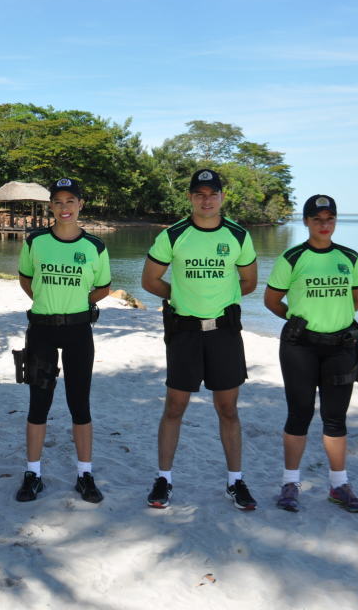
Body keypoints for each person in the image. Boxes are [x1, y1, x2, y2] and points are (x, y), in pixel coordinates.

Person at [140, 168, 258, 510]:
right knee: (175, 407)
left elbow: (249, 282)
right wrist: (181, 296)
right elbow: (150, 280)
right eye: (199, 194)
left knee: (228, 409)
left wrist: (219, 299)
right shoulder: (174, 235)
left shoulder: (238, 235)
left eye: (212, 194)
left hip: (224, 333)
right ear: (190, 197)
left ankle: (235, 481)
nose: (206, 200)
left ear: (222, 197)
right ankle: (164, 479)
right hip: (185, 333)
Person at [264, 194, 358, 513]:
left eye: (330, 219)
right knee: (300, 413)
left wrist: (332, 318)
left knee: (335, 418)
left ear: (335, 220)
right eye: (317, 220)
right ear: (306, 221)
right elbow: (272, 300)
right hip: (300, 347)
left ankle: (339, 486)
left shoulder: (349, 257)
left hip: (341, 347)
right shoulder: (292, 258)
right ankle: (290, 484)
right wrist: (297, 319)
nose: (324, 225)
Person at [13, 178, 111, 503]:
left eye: (71, 201)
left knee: (79, 403)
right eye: (58, 201)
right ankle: (33, 474)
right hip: (42, 329)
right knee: (38, 403)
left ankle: (85, 474)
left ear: (81, 205)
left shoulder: (95, 246)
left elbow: (102, 288)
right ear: (51, 206)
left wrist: (76, 304)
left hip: (78, 331)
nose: (64, 207)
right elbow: (27, 280)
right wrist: (47, 302)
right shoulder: (35, 241)